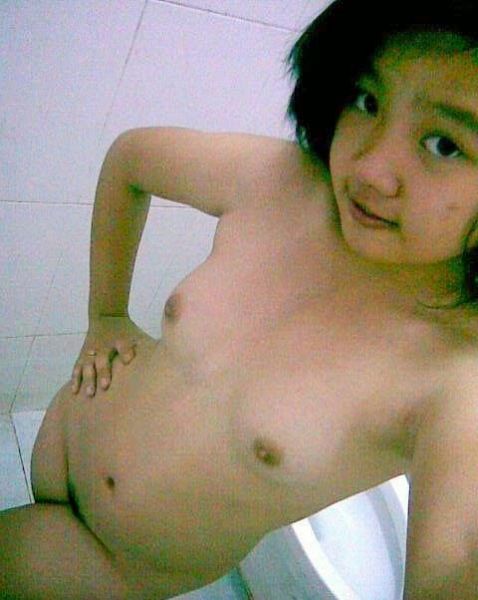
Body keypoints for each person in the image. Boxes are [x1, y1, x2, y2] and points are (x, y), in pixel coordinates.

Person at [2, 0, 478, 597]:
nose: (369, 171)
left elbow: (451, 566)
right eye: (367, 100)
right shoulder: (281, 180)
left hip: (112, 563)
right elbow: (131, 159)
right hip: (63, 438)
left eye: (444, 144)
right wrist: (106, 316)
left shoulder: (457, 378)